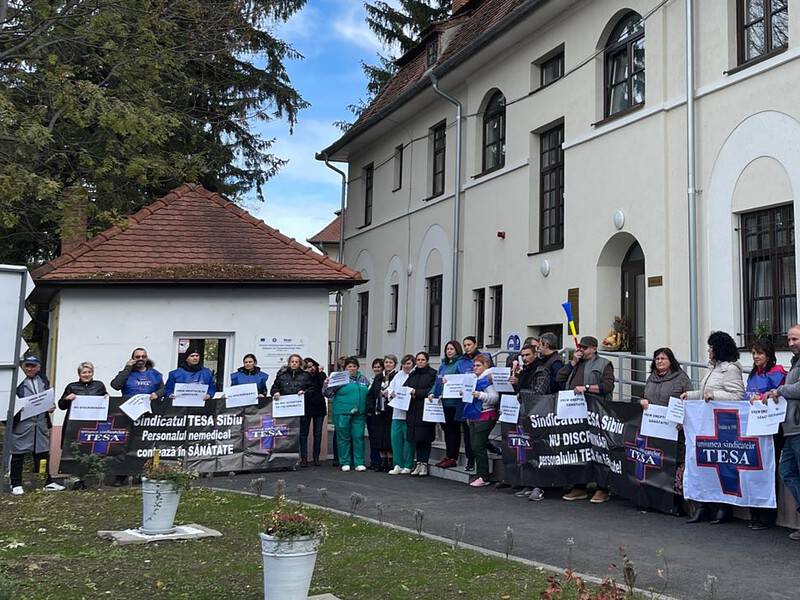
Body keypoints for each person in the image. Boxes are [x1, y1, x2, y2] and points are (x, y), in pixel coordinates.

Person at [681, 331, 745, 524]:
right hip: (706, 423)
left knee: (720, 464)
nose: (708, 350)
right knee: (701, 464)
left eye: (711, 347)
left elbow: (738, 396)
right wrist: (691, 395)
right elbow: (704, 392)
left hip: (723, 425)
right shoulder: (711, 368)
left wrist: (715, 395)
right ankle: (703, 506)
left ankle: (722, 507)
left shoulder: (730, 369)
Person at [557, 335, 615, 504]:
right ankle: (579, 486)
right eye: (580, 347)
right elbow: (559, 378)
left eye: (585, 347)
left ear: (594, 348)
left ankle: (602, 488)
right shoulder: (576, 363)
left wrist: (587, 388)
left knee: (599, 449)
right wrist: (572, 362)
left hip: (596, 411)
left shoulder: (604, 364)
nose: (581, 350)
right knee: (578, 448)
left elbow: (608, 386)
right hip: (575, 412)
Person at [640, 347, 693, 510]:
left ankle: (675, 502)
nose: (660, 361)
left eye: (663, 358)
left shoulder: (681, 378)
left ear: (671, 361)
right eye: (657, 359)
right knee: (655, 462)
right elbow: (645, 397)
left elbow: (689, 400)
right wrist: (642, 402)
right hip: (654, 429)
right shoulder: (651, 378)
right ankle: (654, 500)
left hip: (675, 429)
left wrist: (682, 420)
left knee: (674, 461)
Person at [745, 339, 786, 530]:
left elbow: (778, 394)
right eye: (753, 353)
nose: (755, 357)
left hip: (773, 428)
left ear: (768, 355)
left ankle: (768, 515)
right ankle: (755, 510)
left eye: (759, 353)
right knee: (756, 468)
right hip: (756, 428)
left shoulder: (777, 372)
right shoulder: (753, 374)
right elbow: (747, 395)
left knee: (770, 468)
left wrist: (761, 397)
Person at [10, 357, 63, 495]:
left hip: (40, 423)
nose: (30, 368)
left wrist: (51, 406)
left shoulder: (43, 379)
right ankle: (15, 483)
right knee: (18, 454)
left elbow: (47, 398)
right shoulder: (16, 381)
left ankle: (46, 481)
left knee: (42, 454)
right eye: (27, 366)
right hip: (22, 423)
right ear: (22, 367)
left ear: (38, 367)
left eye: (33, 366)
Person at [767, 325, 800, 540]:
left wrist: (779, 390)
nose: (791, 344)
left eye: (795, 339)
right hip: (791, 428)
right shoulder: (795, 363)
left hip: (798, 427)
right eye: (789, 340)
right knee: (786, 470)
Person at [430, 340, 473, 469]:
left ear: (457, 350)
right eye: (447, 349)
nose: (449, 351)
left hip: (456, 402)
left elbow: (465, 379)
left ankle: (453, 457)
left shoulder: (461, 363)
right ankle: (449, 456)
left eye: (452, 349)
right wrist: (432, 392)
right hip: (444, 401)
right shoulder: (443, 364)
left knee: (454, 430)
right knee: (447, 430)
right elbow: (437, 382)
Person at [324, 356, 370, 472]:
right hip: (342, 412)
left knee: (358, 436)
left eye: (354, 366)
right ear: (345, 368)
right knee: (343, 437)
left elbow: (369, 392)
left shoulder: (363, 379)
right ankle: (345, 462)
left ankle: (359, 462)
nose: (352, 368)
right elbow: (327, 393)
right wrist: (326, 384)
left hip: (359, 412)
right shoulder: (339, 378)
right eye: (349, 366)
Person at [464, 355, 499, 487]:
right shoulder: (475, 379)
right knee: (475, 445)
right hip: (475, 415)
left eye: (478, 365)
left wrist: (480, 395)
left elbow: (494, 397)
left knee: (478, 446)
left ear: (486, 366)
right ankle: (481, 474)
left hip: (485, 415)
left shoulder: (487, 380)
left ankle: (484, 476)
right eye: (474, 365)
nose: (475, 368)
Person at [404, 352, 438, 477]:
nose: (420, 362)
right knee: (416, 439)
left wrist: (416, 392)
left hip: (426, 409)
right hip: (413, 410)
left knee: (425, 438)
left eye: (423, 359)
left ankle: (424, 463)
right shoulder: (413, 373)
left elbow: (432, 389)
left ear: (427, 361)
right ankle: (418, 463)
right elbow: (405, 388)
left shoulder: (432, 374)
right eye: (418, 359)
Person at [367, 355, 397, 472]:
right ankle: (382, 460)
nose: (388, 364)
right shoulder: (379, 377)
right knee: (379, 436)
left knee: (388, 436)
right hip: (378, 411)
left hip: (390, 411)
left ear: (395, 364)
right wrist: (370, 408)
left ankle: (390, 461)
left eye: (390, 362)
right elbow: (371, 394)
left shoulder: (397, 376)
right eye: (386, 362)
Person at [388, 354, 415, 475]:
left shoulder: (415, 375)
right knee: (396, 439)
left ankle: (408, 465)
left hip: (409, 413)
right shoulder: (398, 375)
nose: (406, 366)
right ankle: (397, 464)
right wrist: (391, 393)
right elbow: (389, 388)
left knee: (408, 441)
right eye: (404, 363)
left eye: (409, 363)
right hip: (397, 412)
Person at [301, 357, 327, 467]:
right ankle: (304, 458)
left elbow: (323, 387)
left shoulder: (321, 375)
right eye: (308, 367)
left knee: (318, 433)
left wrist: (323, 378)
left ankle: (316, 458)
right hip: (305, 407)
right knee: (303, 434)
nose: (311, 368)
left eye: (313, 366)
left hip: (319, 406)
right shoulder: (302, 376)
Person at [367, 357, 385, 469]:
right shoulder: (368, 380)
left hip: (379, 412)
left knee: (379, 437)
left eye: (379, 367)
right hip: (370, 412)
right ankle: (373, 461)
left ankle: (379, 461)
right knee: (372, 438)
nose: (376, 369)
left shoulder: (383, 380)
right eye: (375, 367)